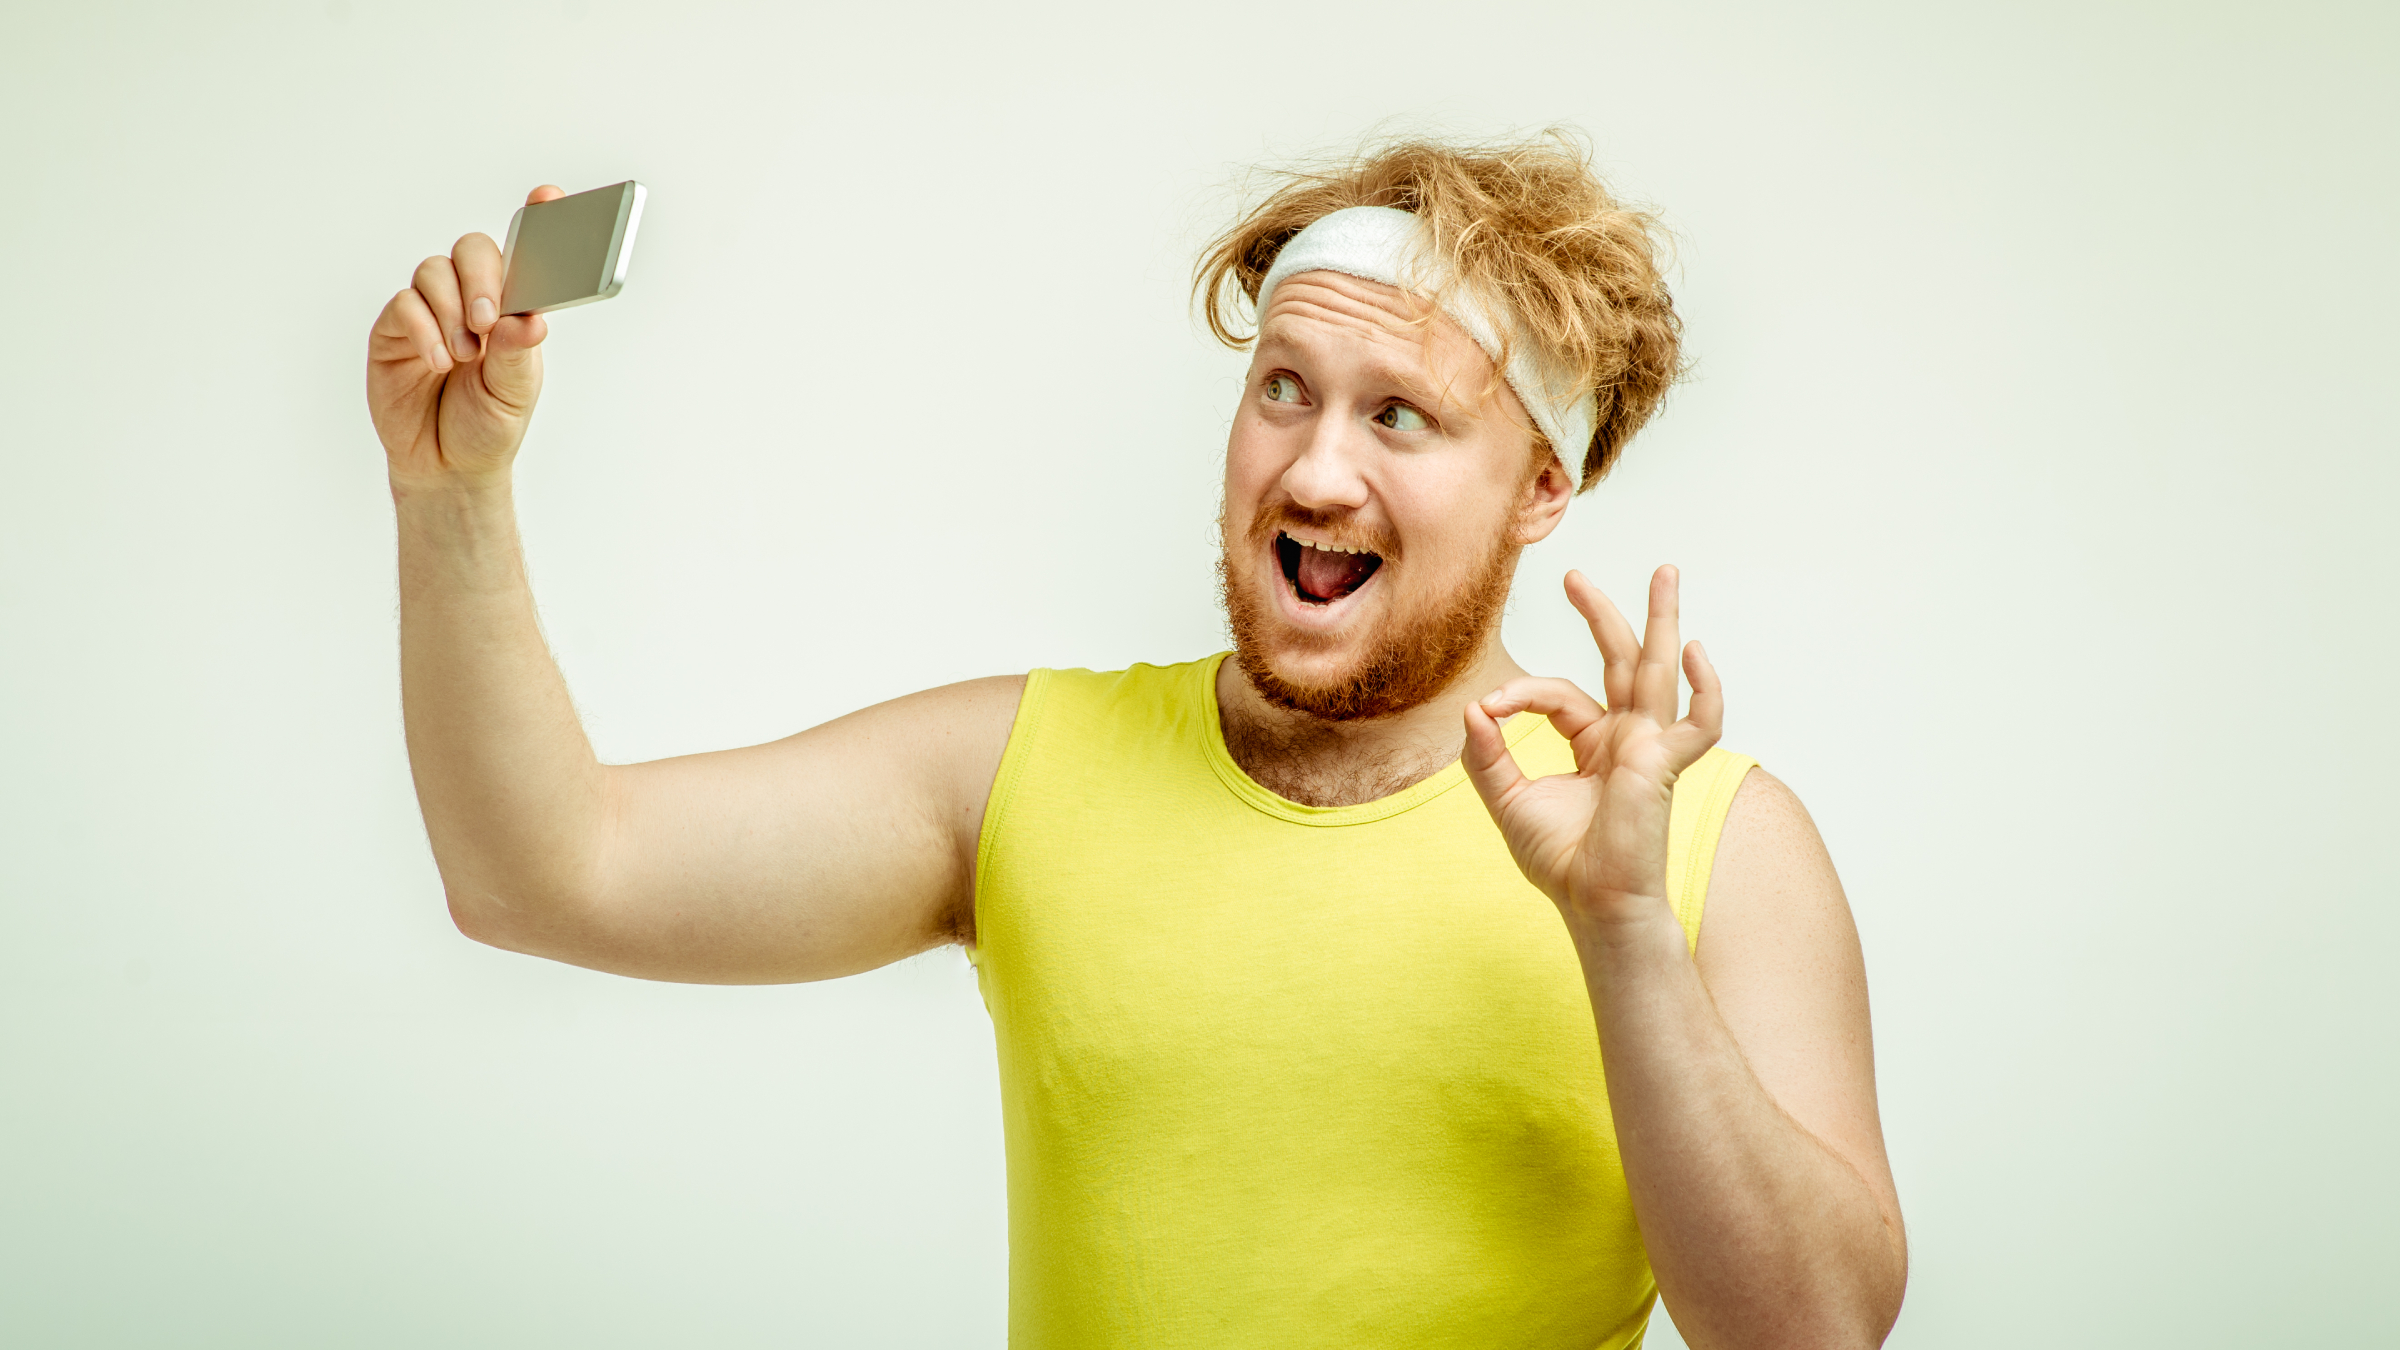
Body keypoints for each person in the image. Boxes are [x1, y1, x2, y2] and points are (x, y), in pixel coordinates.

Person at [366, 135, 1906, 1348]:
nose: (1313, 466)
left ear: (1542, 491)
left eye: (1402, 418)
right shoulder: (1027, 769)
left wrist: (1625, 930)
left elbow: (1812, 1333)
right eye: (1283, 390)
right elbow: (541, 871)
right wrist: (450, 504)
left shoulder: (1713, 846)